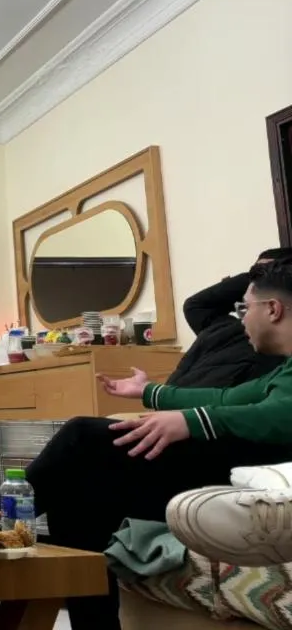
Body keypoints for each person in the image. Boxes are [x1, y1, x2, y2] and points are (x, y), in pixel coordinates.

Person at [26, 259, 292, 628]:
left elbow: (279, 415)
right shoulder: (283, 370)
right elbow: (226, 398)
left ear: (273, 309)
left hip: (252, 476)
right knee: (80, 494)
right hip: (229, 470)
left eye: (245, 308)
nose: (241, 318)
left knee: (82, 435)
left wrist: (191, 422)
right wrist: (149, 392)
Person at [165, 247, 292, 387]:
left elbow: (227, 397)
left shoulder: (278, 357)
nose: (244, 317)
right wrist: (258, 275)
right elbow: (194, 306)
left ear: (273, 309)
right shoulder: (222, 327)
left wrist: (273, 278)